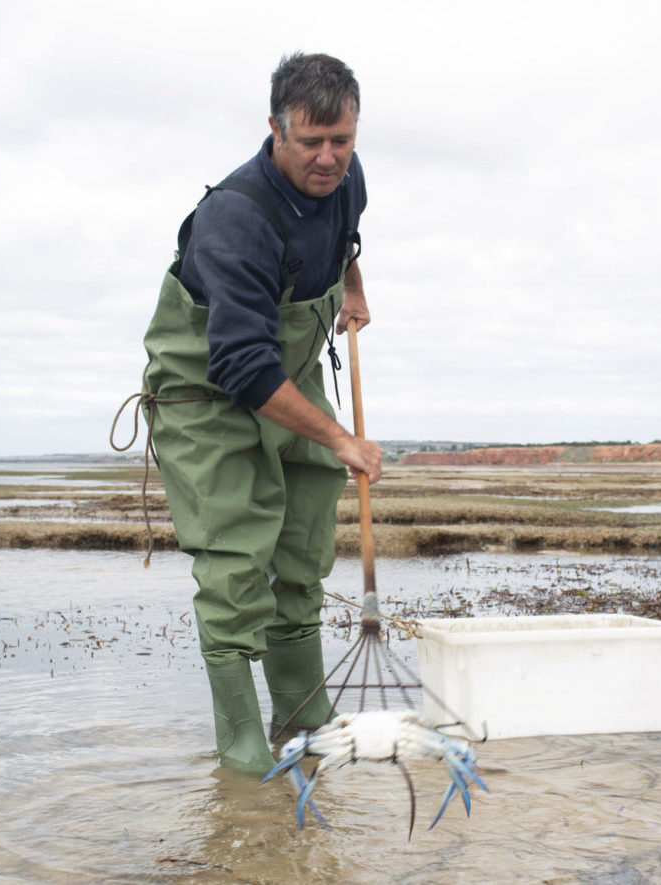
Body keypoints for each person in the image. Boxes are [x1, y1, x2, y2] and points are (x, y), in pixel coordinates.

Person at [135, 52, 384, 774]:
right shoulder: (235, 218)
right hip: (208, 396)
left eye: (342, 139)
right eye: (311, 142)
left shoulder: (346, 178)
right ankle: (241, 739)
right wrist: (342, 438)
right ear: (275, 129)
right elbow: (242, 366)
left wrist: (354, 286)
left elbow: (347, 235)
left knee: (303, 543)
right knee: (237, 556)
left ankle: (303, 707)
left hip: (293, 375)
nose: (329, 157)